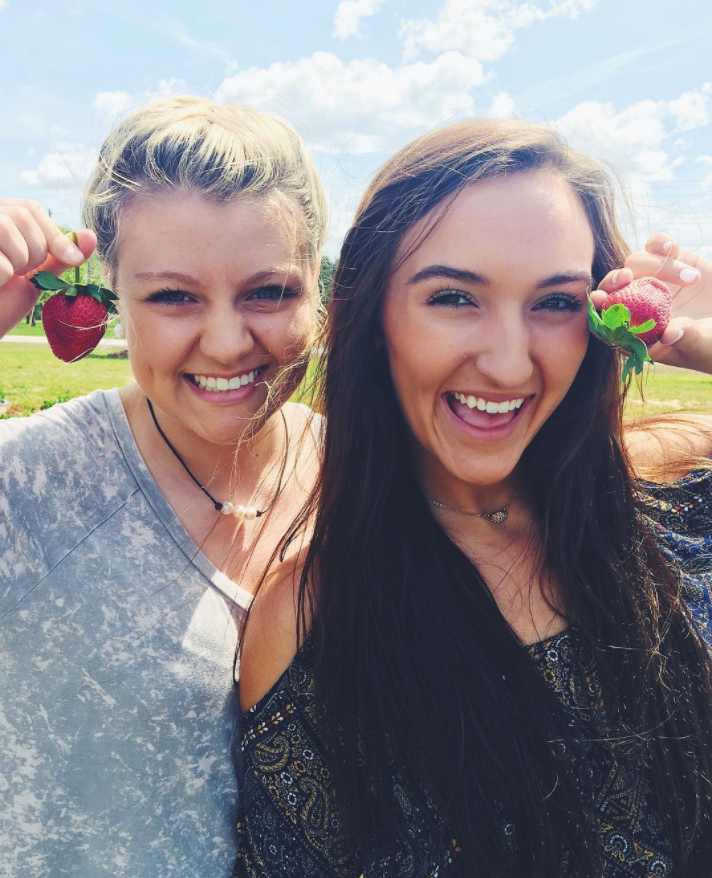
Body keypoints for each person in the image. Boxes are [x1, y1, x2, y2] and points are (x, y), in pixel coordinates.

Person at [234, 119, 712, 877]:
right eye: (455, 297)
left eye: (555, 303)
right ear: (371, 313)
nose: (508, 359)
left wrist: (698, 337)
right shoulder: (314, 622)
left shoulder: (679, 495)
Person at [0, 95, 326, 877]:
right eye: (174, 296)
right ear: (113, 292)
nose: (225, 341)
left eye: (270, 292)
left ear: (320, 284)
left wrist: (677, 340)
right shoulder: (29, 482)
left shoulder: (371, 475)